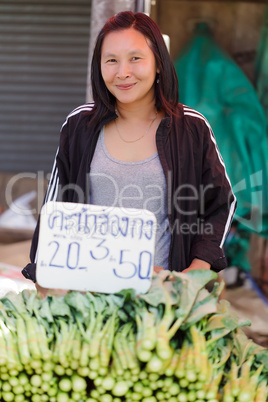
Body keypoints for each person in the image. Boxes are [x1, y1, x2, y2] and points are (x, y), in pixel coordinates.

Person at [22, 11, 236, 293]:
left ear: (159, 63)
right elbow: (55, 207)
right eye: (111, 60)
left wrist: (194, 273)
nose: (122, 72)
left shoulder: (191, 128)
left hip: (164, 301)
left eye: (135, 58)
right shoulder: (79, 126)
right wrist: (43, 276)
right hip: (89, 297)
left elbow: (221, 203)